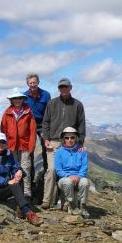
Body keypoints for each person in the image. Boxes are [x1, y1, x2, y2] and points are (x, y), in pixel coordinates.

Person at [41, 78, 86, 209]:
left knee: (70, 170)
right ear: (58, 89)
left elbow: (81, 125)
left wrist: (80, 142)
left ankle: (67, 202)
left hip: (70, 143)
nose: (63, 89)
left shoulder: (78, 104)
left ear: (70, 87)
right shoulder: (52, 103)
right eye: (61, 87)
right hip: (54, 142)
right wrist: (46, 138)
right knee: (51, 170)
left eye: (66, 87)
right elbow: (45, 122)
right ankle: (47, 200)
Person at [0, 132, 42, 226]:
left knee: (20, 176)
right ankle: (28, 212)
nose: (1, 144)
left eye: (3, 142)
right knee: (14, 184)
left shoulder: (9, 155)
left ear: (6, 143)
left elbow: (15, 166)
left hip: (4, 187)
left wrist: (18, 171)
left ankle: (20, 208)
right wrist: (7, 181)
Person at [0, 89, 36, 199]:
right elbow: (3, 130)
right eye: (15, 98)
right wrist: (4, 146)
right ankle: (14, 192)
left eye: (19, 98)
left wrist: (31, 147)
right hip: (11, 146)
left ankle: (26, 193)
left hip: (25, 145)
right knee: (12, 169)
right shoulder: (7, 113)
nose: (17, 100)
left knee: (25, 169)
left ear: (22, 99)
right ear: (12, 100)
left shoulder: (28, 112)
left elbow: (32, 130)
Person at [55, 127, 90, 217]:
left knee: (85, 182)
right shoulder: (59, 152)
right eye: (67, 138)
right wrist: (68, 176)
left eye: (72, 137)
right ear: (63, 139)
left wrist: (78, 176)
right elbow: (58, 170)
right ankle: (72, 205)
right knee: (67, 181)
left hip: (79, 178)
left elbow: (84, 167)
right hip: (64, 179)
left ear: (76, 138)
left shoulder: (82, 152)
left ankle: (83, 206)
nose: (70, 140)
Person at [23, 73, 51, 175]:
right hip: (30, 126)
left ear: (38, 82)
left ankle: (47, 173)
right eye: (30, 83)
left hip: (43, 125)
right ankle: (31, 176)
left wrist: (46, 129)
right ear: (27, 84)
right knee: (30, 150)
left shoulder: (46, 95)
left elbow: (49, 112)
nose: (33, 84)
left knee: (46, 149)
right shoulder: (24, 96)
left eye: (34, 82)